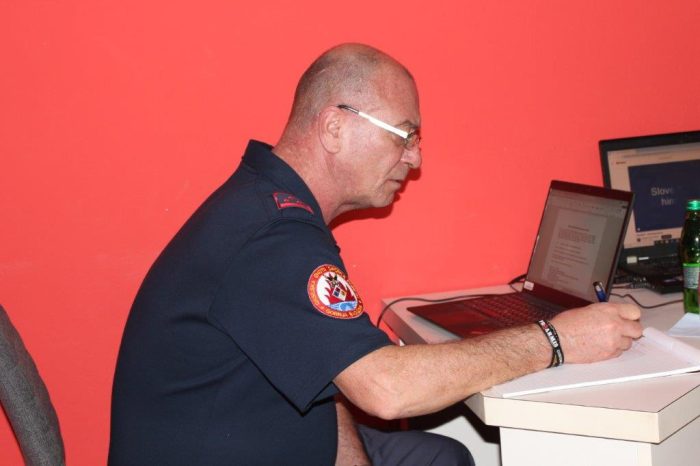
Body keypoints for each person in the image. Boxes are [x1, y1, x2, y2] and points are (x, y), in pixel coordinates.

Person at [109, 43, 643, 465]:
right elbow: (386, 390)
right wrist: (557, 340)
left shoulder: (273, 208)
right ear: (334, 128)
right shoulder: (271, 236)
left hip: (266, 440)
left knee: (443, 456)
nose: (415, 158)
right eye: (404, 135)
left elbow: (329, 371)